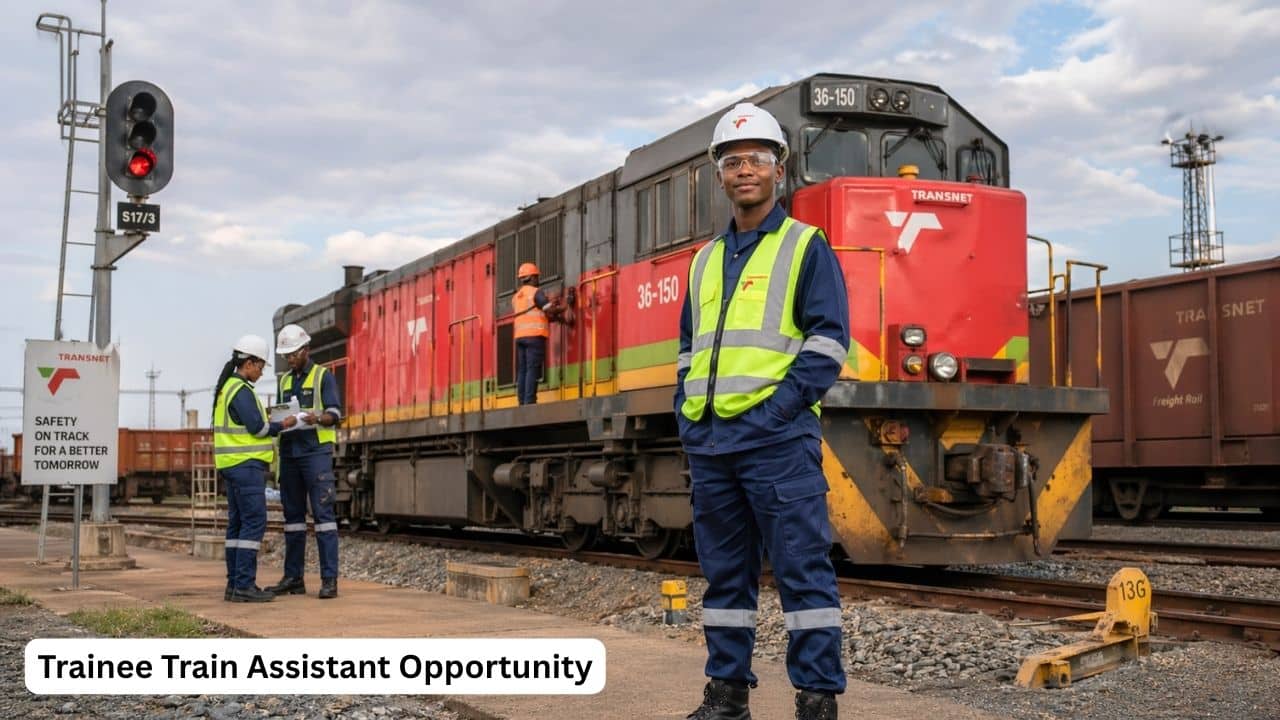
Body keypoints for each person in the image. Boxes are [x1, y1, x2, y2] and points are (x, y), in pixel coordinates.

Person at [675, 102, 850, 720]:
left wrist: (779, 409)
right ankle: (726, 700)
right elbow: (688, 349)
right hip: (713, 444)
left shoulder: (807, 247)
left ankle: (817, 701)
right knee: (726, 583)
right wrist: (687, 414)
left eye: (756, 159)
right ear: (720, 175)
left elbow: (829, 342)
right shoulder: (702, 261)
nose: (744, 169)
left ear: (780, 170)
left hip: (777, 442)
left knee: (803, 575)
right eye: (732, 160)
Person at [212, 334, 296, 603]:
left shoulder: (228, 388)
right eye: (260, 367)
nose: (261, 372)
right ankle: (245, 585)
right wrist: (283, 424)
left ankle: (234, 586)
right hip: (245, 465)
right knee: (254, 522)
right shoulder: (241, 390)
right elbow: (258, 429)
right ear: (249, 363)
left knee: (237, 525)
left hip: (231, 465)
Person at [265, 323, 342, 600]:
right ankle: (293, 578)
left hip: (315, 454)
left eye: (293, 353)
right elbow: (281, 414)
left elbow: (335, 413)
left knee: (324, 519)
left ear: (305, 350)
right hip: (290, 454)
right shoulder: (284, 380)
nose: (289, 359)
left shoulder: (323, 377)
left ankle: (329, 580)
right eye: (286, 355)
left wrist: (316, 418)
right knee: (292, 520)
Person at [512, 262, 562, 405]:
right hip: (534, 336)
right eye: (537, 277)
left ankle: (522, 401)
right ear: (533, 277)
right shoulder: (536, 292)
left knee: (522, 370)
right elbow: (549, 310)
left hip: (519, 338)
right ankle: (530, 401)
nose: (538, 280)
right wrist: (563, 309)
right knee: (532, 369)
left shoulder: (516, 297)